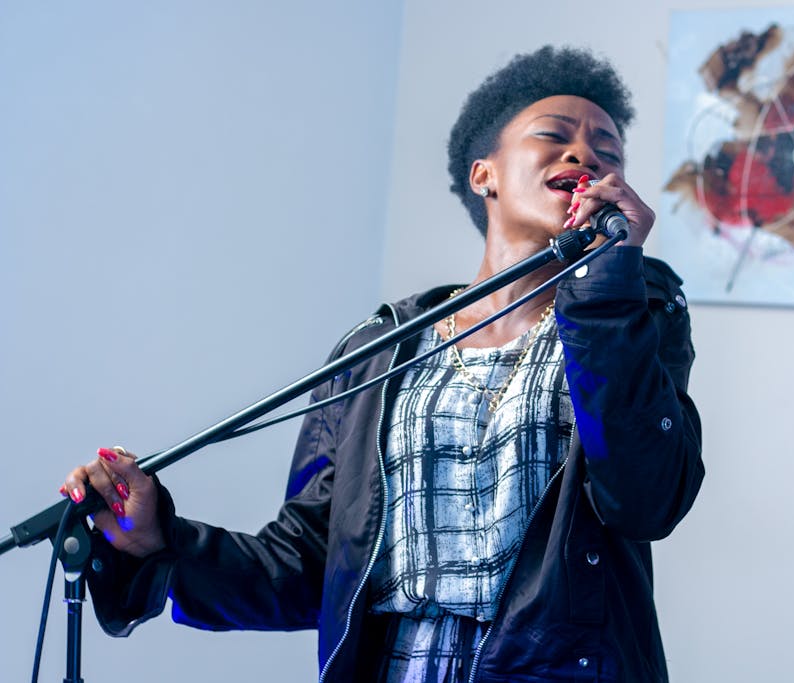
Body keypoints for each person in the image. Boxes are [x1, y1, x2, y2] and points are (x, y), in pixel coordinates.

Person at [61, 45, 704, 682]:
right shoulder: (381, 347)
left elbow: (646, 501)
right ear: (484, 174)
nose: (585, 155)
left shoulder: (635, 314)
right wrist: (158, 538)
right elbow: (312, 563)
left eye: (608, 151)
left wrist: (606, 282)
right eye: (555, 135)